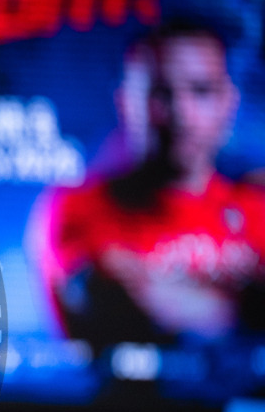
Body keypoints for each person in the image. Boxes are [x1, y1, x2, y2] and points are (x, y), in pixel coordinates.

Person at [27, 19, 265, 352]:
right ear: (126, 102)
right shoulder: (78, 206)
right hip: (118, 401)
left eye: (201, 91)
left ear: (228, 103)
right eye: (160, 92)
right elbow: (111, 307)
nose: (181, 113)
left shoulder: (258, 205)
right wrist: (243, 303)